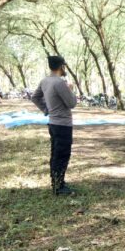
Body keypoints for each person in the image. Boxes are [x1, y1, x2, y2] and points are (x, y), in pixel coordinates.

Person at [31, 55, 77, 195]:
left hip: (53, 123)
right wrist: (70, 89)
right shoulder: (60, 83)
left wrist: (46, 109)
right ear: (61, 66)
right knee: (62, 154)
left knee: (55, 154)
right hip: (63, 124)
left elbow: (35, 97)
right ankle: (59, 187)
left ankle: (57, 182)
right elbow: (72, 103)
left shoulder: (45, 81)